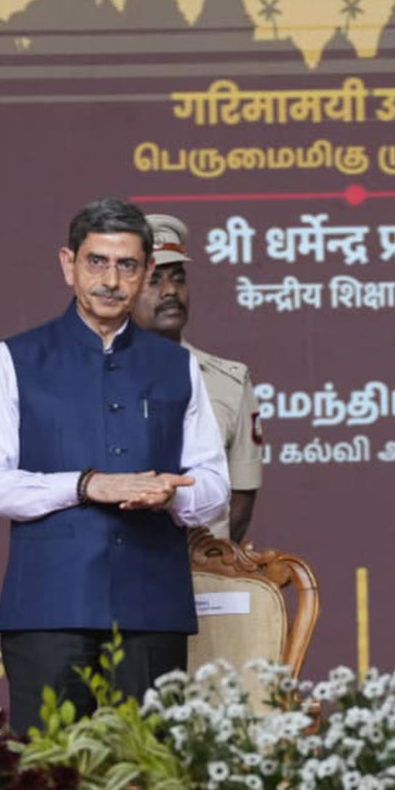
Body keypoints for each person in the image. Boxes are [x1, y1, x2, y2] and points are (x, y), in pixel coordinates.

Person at [0, 198, 229, 734]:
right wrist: (86, 485)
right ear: (68, 264)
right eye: (96, 262)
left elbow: (216, 487)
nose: (111, 279)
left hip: (152, 613)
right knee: (49, 787)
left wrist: (171, 495)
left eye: (127, 265)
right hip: (48, 612)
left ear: (147, 272)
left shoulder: (177, 367)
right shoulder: (16, 357)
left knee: (149, 785)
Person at [133, 214, 263, 543]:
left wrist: (198, 562)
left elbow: (241, 500)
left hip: (205, 578)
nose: (170, 291)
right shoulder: (94, 376)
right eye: (154, 281)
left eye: (178, 279)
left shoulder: (229, 381)